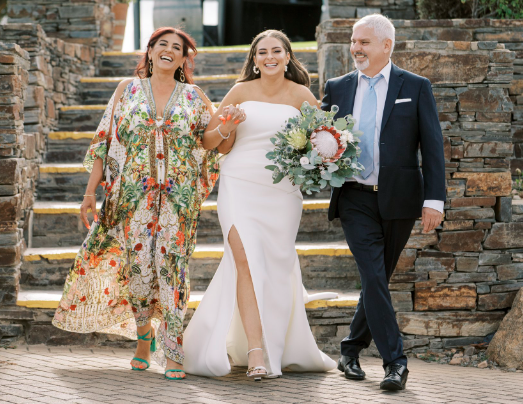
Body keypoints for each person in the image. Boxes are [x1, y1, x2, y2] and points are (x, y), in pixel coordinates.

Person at [52, 27, 219, 380]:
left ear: (183, 59)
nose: (169, 51)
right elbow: (103, 143)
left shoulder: (194, 96)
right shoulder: (125, 90)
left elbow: (211, 142)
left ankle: (173, 350)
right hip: (132, 198)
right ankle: (144, 340)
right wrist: (89, 193)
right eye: (163, 45)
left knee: (171, 270)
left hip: (179, 199)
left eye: (178, 48)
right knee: (140, 272)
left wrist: (228, 127)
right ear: (150, 50)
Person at [183, 30, 336, 380]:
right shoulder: (240, 91)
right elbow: (212, 144)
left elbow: (328, 143)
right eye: (262, 51)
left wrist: (315, 164)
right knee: (246, 262)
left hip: (281, 193)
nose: (269, 56)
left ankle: (279, 346)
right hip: (238, 185)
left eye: (276, 51)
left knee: (276, 267)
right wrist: (228, 127)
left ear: (287, 56)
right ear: (254, 59)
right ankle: (256, 351)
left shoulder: (302, 96)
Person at [321, 14, 446, 391]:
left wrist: (434, 199)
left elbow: (433, 146)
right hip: (354, 199)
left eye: (363, 42)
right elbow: (322, 136)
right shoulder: (337, 87)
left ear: (386, 45)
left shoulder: (416, 86)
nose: (355, 48)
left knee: (378, 280)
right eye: (353, 42)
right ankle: (396, 362)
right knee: (373, 276)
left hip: (400, 200)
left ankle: (350, 348)